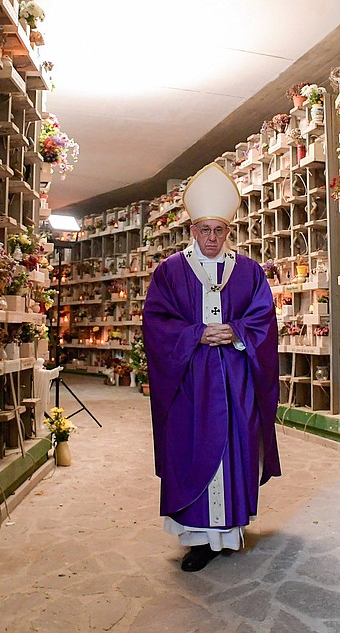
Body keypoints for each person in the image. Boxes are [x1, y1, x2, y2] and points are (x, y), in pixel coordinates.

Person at [142, 163, 281, 572]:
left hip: (237, 379)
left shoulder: (250, 271)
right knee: (192, 448)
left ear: (228, 231)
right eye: (204, 230)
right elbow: (156, 322)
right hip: (191, 380)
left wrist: (236, 331)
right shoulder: (169, 271)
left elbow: (263, 320)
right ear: (192, 230)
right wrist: (196, 335)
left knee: (234, 448)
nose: (212, 238)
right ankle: (198, 541)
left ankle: (228, 531)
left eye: (219, 230)